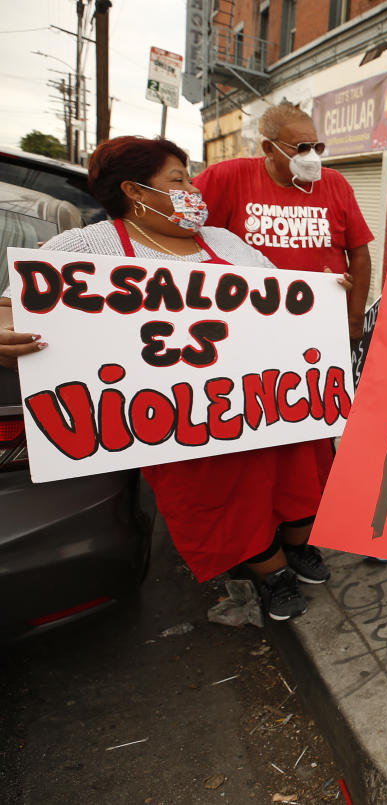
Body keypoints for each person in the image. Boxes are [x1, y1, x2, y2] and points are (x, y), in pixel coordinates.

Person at [7, 135, 352, 619]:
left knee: (302, 482)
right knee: (228, 507)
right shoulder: (88, 245)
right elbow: (15, 306)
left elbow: (283, 297)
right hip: (188, 426)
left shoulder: (226, 242)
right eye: (179, 179)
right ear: (136, 191)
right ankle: (271, 574)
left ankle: (298, 547)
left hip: (270, 406)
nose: (194, 188)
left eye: (189, 177)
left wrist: (323, 295)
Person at [193, 102, 373, 341]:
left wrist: (354, 318)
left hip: (323, 322)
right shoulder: (227, 178)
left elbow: (360, 254)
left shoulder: (335, 183)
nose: (311, 156)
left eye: (316, 147)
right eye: (300, 148)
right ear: (269, 148)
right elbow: (181, 230)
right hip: (249, 325)